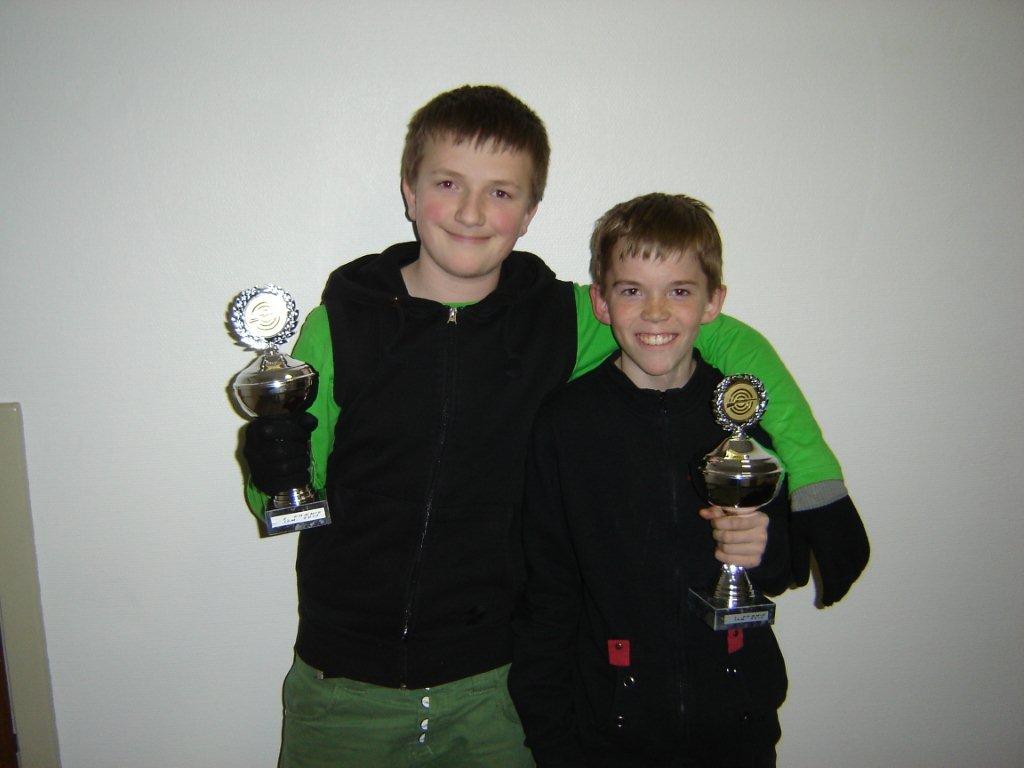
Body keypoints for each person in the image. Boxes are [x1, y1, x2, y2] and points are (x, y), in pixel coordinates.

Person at [240, 85, 867, 768]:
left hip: (493, 691)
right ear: (409, 192)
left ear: (531, 212)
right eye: (448, 183)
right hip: (341, 686)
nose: (472, 212)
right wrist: (270, 471)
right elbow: (289, 497)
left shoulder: (563, 319)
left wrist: (818, 489)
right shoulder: (339, 324)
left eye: (501, 192)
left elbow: (719, 339)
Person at [509, 193, 796, 767]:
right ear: (601, 302)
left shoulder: (740, 418)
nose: (657, 313)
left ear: (713, 303)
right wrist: (553, 741)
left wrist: (761, 546)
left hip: (736, 726)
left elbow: (783, 569)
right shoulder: (566, 424)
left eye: (680, 291)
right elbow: (547, 594)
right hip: (609, 729)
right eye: (632, 291)